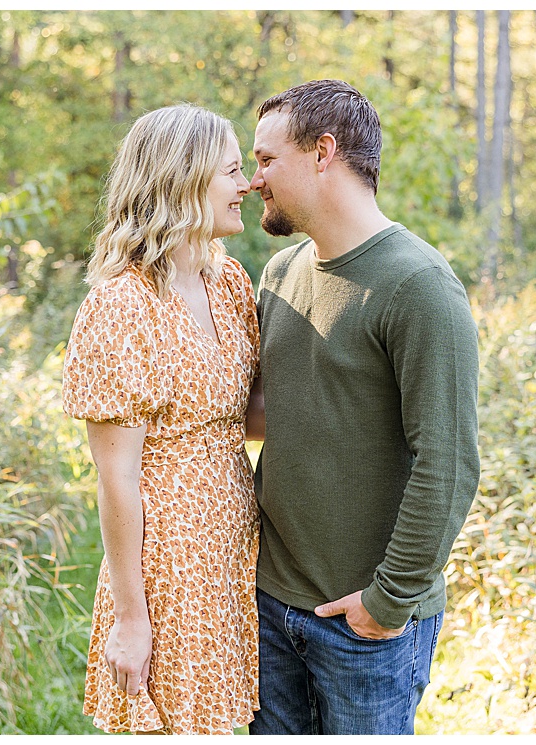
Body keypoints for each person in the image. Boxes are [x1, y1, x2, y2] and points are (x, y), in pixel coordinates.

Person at [245, 79, 481, 735]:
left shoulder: (419, 286)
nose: (254, 179)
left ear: (323, 152)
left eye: (267, 160)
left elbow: (450, 460)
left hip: (365, 624)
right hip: (272, 605)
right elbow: (275, 417)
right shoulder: (280, 274)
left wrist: (388, 600)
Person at [61, 104, 263, 734]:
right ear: (185, 181)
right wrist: (130, 615)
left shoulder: (229, 282)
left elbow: (241, 417)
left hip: (231, 552)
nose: (248, 185)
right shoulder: (122, 305)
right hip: (167, 563)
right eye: (232, 172)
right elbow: (115, 476)